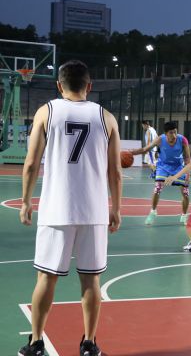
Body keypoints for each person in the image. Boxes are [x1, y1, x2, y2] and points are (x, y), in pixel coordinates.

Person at [19, 60, 122, 356]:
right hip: (94, 210)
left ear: (58, 85)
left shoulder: (46, 111)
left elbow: (31, 163)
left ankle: (36, 343)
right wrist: (116, 208)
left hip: (56, 208)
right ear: (89, 86)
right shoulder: (107, 117)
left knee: (46, 277)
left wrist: (26, 200)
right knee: (91, 279)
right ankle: (89, 344)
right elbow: (115, 172)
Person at [131, 121, 191, 225]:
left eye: (175, 132)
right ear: (166, 133)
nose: (174, 135)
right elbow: (145, 149)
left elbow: (187, 158)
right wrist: (131, 152)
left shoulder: (182, 140)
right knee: (157, 188)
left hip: (178, 167)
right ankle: (153, 212)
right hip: (163, 166)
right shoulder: (160, 139)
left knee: (185, 193)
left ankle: (184, 215)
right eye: (171, 133)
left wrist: (188, 174)